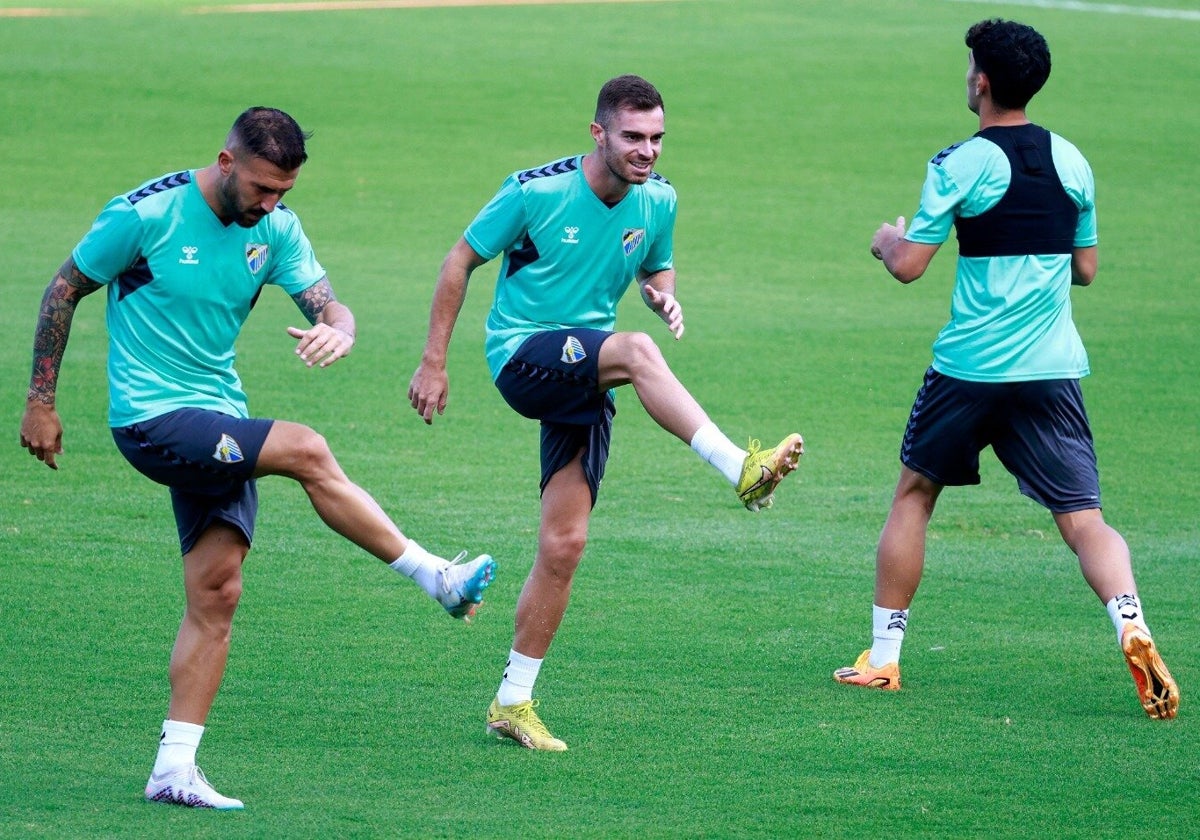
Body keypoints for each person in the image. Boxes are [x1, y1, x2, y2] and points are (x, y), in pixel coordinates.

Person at [18, 107, 498, 809]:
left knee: (218, 594)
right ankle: (436, 579)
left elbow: (331, 305)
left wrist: (340, 330)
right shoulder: (144, 216)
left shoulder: (274, 230)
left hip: (219, 419)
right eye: (262, 188)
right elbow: (64, 290)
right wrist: (41, 401)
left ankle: (173, 769)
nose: (270, 205)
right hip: (151, 419)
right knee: (306, 448)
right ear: (226, 160)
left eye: (284, 193)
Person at [408, 74, 803, 751]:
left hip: (589, 370)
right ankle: (741, 465)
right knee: (638, 352)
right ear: (598, 134)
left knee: (565, 546)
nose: (647, 151)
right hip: (524, 353)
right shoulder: (535, 192)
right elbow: (460, 260)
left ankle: (512, 702)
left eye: (657, 138)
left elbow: (657, 265)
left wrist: (660, 293)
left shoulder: (660, 201)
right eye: (633, 138)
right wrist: (434, 361)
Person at [834, 19, 1178, 720]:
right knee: (1084, 520)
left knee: (914, 496)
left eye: (969, 68)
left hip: (970, 368)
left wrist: (883, 239)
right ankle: (1132, 625)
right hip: (1051, 369)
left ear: (982, 81)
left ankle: (885, 659)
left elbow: (909, 266)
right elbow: (1085, 269)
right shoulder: (1073, 162)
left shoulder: (960, 163)